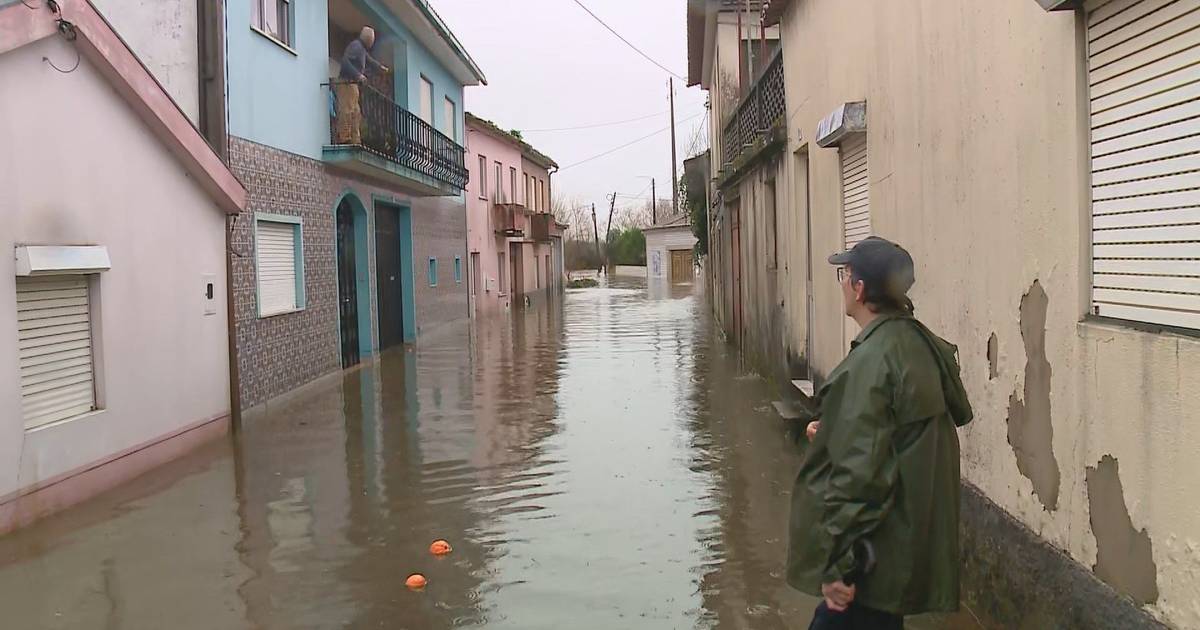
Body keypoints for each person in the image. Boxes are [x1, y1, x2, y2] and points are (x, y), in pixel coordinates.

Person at [788, 236, 974, 630]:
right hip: (897, 554)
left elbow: (859, 477)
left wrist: (836, 565)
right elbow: (897, 437)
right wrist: (836, 430)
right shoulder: (916, 343)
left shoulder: (872, 362)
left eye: (845, 275)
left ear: (859, 288)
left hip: (868, 564)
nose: (841, 283)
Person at [335, 26, 389, 145]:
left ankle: (355, 139)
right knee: (347, 110)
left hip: (353, 84)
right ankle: (344, 137)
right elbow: (345, 62)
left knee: (356, 112)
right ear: (368, 38)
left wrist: (380, 67)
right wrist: (358, 75)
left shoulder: (361, 50)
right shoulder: (356, 46)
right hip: (347, 83)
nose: (372, 42)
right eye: (372, 39)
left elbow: (369, 60)